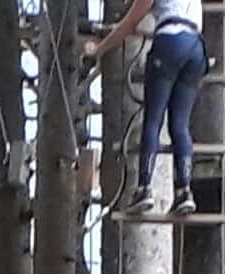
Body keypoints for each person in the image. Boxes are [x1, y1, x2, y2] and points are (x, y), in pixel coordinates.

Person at [84, 0, 208, 216]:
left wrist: (98, 49)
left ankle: (144, 189)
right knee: (180, 125)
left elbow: (129, 24)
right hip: (196, 47)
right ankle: (184, 191)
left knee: (153, 120)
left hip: (170, 41)